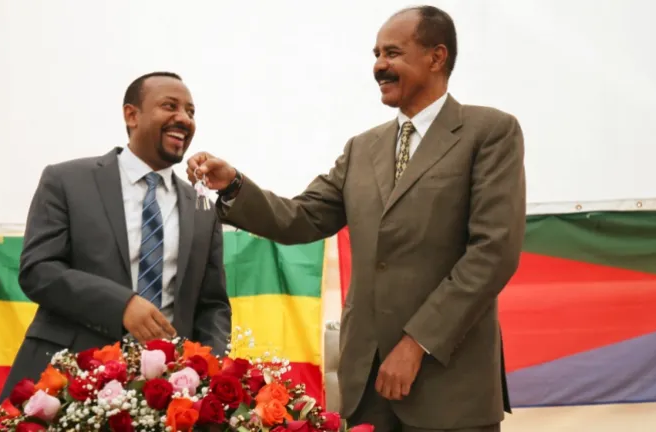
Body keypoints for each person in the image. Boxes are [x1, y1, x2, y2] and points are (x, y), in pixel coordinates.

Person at [186, 6, 525, 432]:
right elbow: (301, 218)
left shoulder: (489, 132)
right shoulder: (362, 149)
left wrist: (417, 343)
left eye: (393, 52)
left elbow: (493, 253)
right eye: (377, 53)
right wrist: (234, 185)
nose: (379, 65)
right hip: (368, 388)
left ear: (437, 57)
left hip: (450, 386)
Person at [0, 72, 231, 403]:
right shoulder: (67, 180)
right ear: (131, 115)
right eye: (170, 106)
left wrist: (209, 370)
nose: (184, 118)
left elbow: (212, 305)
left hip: (165, 397)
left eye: (191, 112)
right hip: (67, 385)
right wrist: (121, 304)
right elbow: (38, 270)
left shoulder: (203, 206)